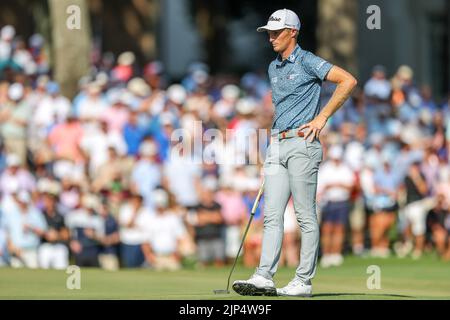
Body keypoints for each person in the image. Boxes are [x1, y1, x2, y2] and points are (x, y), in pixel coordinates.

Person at [233, 8, 357, 297]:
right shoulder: (273, 67)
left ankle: (303, 281)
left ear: (292, 32)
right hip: (277, 143)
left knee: (304, 215)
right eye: (269, 33)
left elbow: (347, 80)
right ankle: (264, 275)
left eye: (277, 32)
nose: (271, 38)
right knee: (272, 214)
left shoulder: (308, 61)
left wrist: (322, 117)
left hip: (303, 144)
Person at [317, 145, 354, 268]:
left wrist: (335, 185)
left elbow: (350, 186)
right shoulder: (325, 169)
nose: (337, 160)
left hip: (342, 201)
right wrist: (336, 185)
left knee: (339, 229)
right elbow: (321, 188)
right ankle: (327, 255)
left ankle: (336, 254)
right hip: (328, 202)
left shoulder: (346, 168)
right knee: (327, 229)